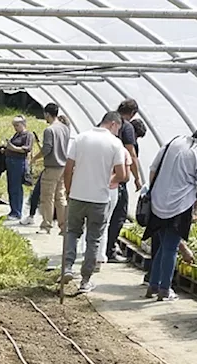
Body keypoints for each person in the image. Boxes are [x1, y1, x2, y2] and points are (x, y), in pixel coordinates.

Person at [144, 124, 197, 301]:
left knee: (163, 247)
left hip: (158, 202)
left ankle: (153, 286)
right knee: (170, 249)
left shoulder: (175, 141)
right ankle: (165, 289)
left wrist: (155, 191)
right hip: (178, 206)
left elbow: (153, 169)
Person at [61, 112, 130, 294]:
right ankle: (85, 280)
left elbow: (68, 169)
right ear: (114, 124)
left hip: (78, 195)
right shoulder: (115, 143)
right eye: (119, 128)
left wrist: (69, 190)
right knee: (94, 239)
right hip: (99, 199)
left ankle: (67, 268)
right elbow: (122, 175)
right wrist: (106, 180)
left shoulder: (81, 138)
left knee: (72, 232)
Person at [106, 99, 144, 262]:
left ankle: (98, 249)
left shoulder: (106, 122)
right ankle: (109, 251)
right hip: (118, 177)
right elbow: (131, 153)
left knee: (103, 214)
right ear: (133, 113)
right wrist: (137, 178)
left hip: (102, 175)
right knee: (119, 214)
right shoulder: (126, 127)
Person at [37, 103, 71, 234]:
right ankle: (63, 227)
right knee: (60, 197)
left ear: (47, 114)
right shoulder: (65, 129)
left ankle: (46, 225)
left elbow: (47, 149)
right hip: (63, 166)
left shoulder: (49, 130)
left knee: (47, 197)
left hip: (52, 167)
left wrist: (35, 157)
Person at [4, 116, 34, 222]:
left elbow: (27, 149)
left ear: (23, 124)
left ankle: (17, 212)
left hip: (19, 162)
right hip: (11, 162)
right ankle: (13, 210)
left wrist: (13, 148)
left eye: (17, 125)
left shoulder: (28, 135)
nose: (15, 128)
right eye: (14, 126)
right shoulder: (17, 135)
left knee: (16, 188)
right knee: (11, 187)